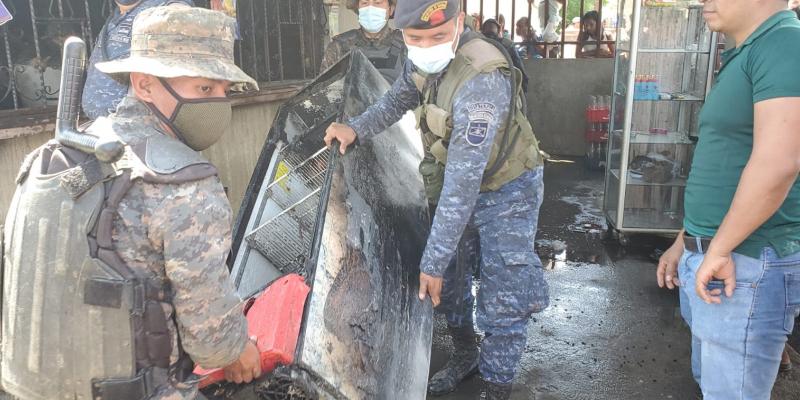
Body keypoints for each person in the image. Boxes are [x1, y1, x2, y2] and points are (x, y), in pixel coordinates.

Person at [2, 7, 263, 400]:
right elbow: (213, 341)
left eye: (225, 91)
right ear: (143, 84)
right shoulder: (184, 181)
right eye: (205, 89)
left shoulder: (47, 159)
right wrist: (241, 350)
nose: (219, 103)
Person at [323, 1, 548, 399]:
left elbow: (464, 184)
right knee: (453, 285)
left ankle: (497, 387)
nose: (426, 45)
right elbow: (396, 101)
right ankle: (466, 354)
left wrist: (432, 260)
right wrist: (354, 128)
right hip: (455, 184)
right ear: (403, 34)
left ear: (459, 23)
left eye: (438, 36)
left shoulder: (481, 79)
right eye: (416, 38)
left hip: (507, 190)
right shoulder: (422, 62)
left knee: (504, 293)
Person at [655, 0, 800, 397]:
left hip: (746, 263)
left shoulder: (785, 45)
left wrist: (717, 249)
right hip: (721, 258)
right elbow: (724, 164)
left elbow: (779, 164)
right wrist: (684, 242)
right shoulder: (746, 52)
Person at [81, 0, 194, 121]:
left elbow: (181, 16)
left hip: (141, 127)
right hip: (106, 128)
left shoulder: (165, 7)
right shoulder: (117, 15)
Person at [320, 0, 406, 83]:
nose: (370, 8)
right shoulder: (339, 46)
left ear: (391, 9)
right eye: (364, 2)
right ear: (358, 9)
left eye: (378, 2)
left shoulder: (406, 45)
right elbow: (323, 90)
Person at [481, 18, 530, 94]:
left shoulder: (475, 44)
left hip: (479, 89)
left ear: (482, 31)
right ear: (499, 31)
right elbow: (521, 74)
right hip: (503, 91)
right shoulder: (507, 45)